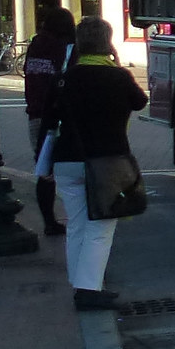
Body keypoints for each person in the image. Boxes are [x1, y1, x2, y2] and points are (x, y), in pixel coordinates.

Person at [47, 17, 148, 311]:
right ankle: (89, 289)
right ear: (108, 42)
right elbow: (140, 102)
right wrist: (116, 64)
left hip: (67, 160)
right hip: (106, 161)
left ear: (79, 44)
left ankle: (80, 284)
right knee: (100, 228)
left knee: (76, 225)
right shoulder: (117, 77)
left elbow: (49, 120)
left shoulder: (65, 78)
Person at [23, 7, 76, 236]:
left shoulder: (35, 46)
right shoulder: (63, 48)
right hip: (59, 116)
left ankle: (48, 220)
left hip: (36, 114)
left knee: (45, 170)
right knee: (74, 167)